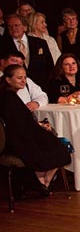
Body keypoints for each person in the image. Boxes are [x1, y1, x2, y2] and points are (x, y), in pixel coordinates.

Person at [0, 64, 70, 194]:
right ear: (8, 80)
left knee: (56, 142)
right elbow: (18, 124)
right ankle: (41, 180)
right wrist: (39, 126)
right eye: (19, 78)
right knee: (62, 145)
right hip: (16, 141)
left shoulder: (9, 95)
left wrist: (38, 125)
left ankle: (44, 180)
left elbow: (22, 120)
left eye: (25, 78)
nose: (23, 81)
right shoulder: (8, 97)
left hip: (21, 136)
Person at [1, 13, 54, 85]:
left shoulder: (40, 43)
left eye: (16, 25)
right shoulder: (3, 45)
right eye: (10, 26)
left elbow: (49, 66)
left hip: (41, 86)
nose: (13, 28)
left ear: (25, 27)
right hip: (14, 87)